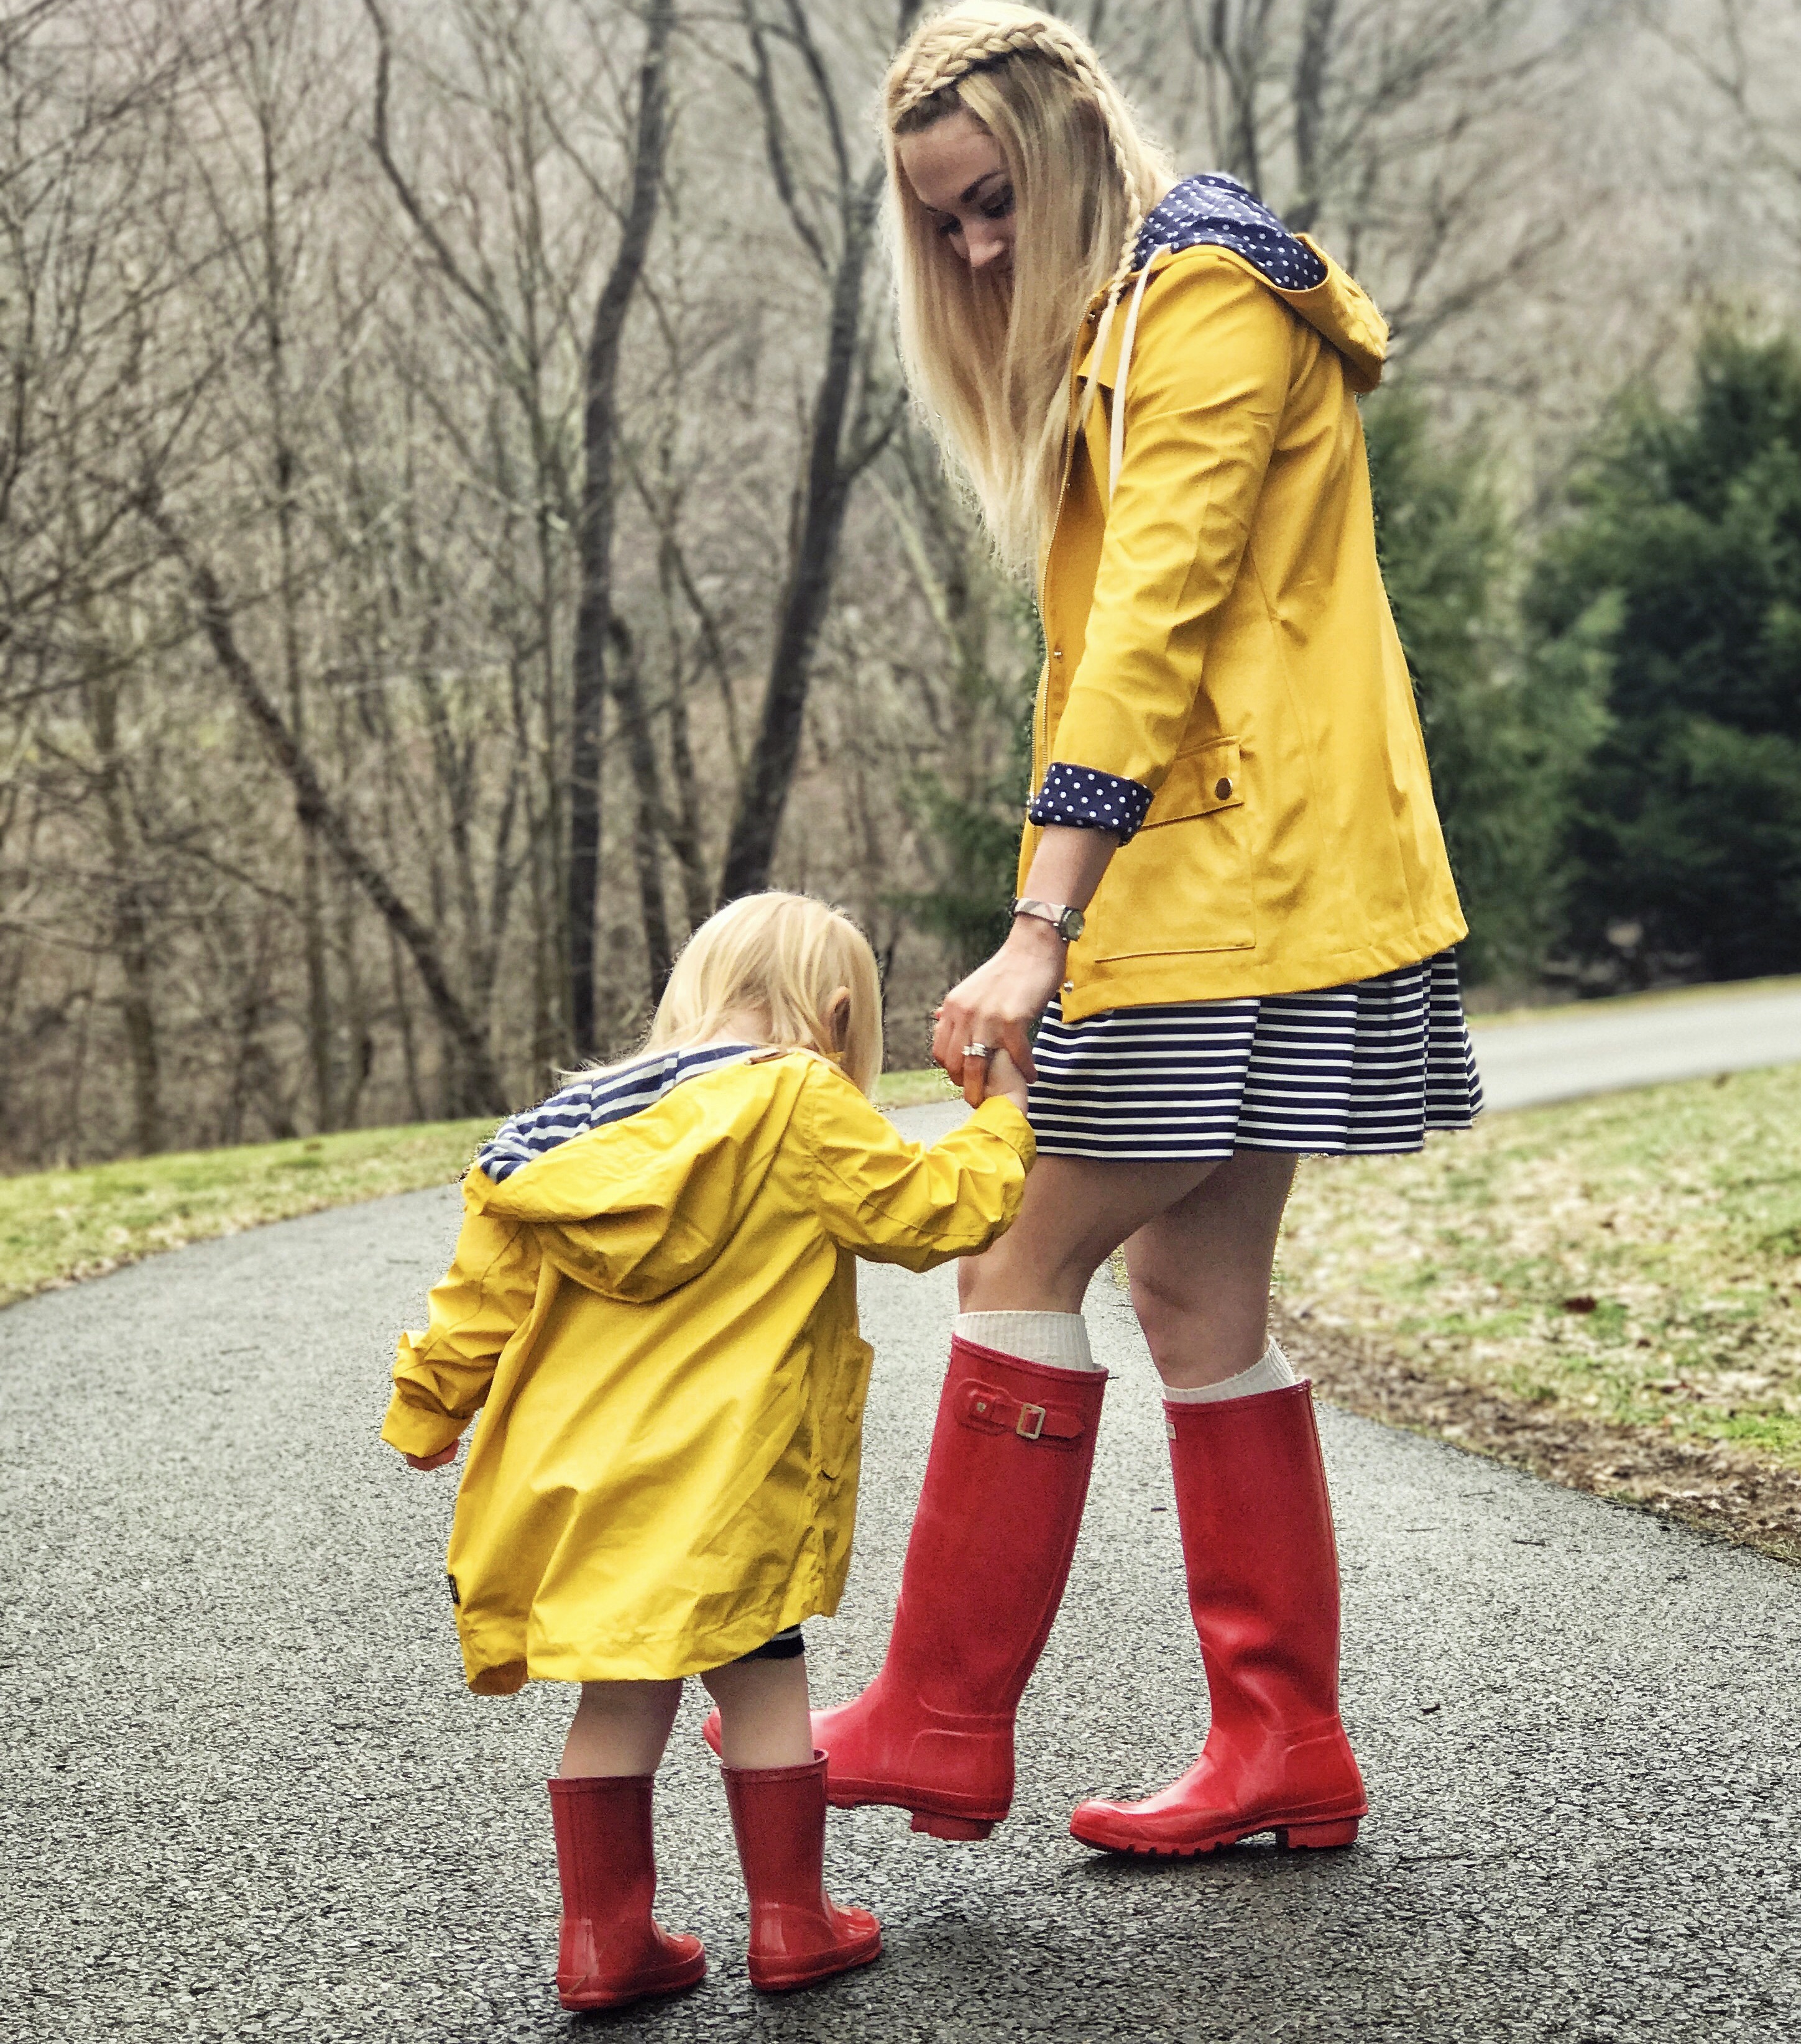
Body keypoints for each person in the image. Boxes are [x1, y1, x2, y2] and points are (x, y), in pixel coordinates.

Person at [707, 3, 1481, 1859]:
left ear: (1065, 151)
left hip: (1217, 896)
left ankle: (943, 1717)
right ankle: (1285, 1747)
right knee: (1199, 1302)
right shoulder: (1145, 314)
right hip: (1267, 884)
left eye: (990, 206)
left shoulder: (1203, 299)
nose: (974, 252)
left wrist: (1040, 919)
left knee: (1015, 1266)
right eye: (944, 227)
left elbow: (1158, 621)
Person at [381, 891, 1033, 2007]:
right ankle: (792, 1925)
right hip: (737, 1475)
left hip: (585, 1486)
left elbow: (475, 1304)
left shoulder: (555, 1133)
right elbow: (930, 1213)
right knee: (766, 1675)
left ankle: (602, 1943)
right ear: (835, 1013)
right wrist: (1002, 1118)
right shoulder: (794, 1098)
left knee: (622, 1692)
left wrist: (428, 1410)